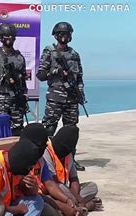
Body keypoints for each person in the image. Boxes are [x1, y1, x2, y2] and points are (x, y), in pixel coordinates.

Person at [36, 22, 86, 171]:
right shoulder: (49, 52)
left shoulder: (74, 55)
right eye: (61, 34)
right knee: (49, 128)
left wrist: (80, 93)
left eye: (67, 34)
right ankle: (44, 159)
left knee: (71, 130)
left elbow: (79, 78)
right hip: (55, 98)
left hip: (71, 99)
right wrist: (56, 72)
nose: (64, 37)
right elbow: (40, 75)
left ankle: (70, 161)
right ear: (56, 35)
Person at [20, 123, 87, 216]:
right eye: (43, 145)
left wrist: (68, 200)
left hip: (46, 194)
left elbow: (50, 184)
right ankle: (66, 215)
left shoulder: (40, 160)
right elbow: (30, 193)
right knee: (44, 206)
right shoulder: (20, 160)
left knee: (89, 188)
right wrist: (62, 205)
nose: (45, 147)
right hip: (26, 200)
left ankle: (70, 211)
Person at [42, 126, 103, 212]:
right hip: (52, 190)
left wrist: (76, 196)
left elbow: (74, 179)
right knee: (51, 196)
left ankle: (73, 206)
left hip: (67, 191)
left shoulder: (68, 154)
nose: (64, 152)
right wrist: (76, 198)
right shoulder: (46, 151)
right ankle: (83, 206)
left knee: (92, 187)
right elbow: (54, 183)